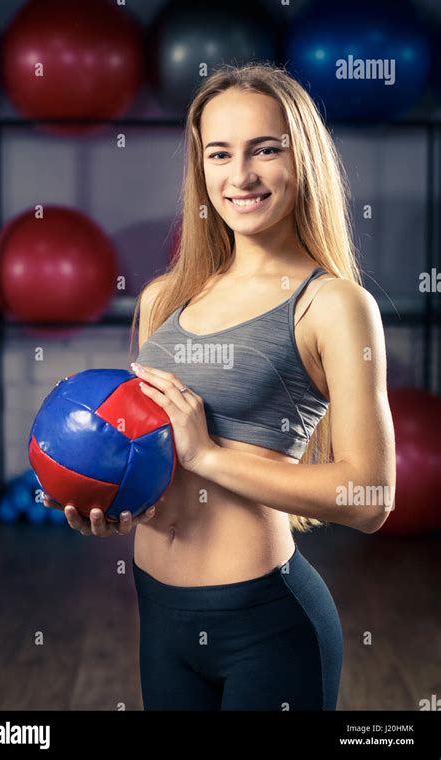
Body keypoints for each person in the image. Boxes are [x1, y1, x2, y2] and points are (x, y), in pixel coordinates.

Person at [44, 62, 396, 711]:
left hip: (267, 624)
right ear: (200, 167)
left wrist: (209, 454)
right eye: (220, 153)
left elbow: (371, 495)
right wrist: (111, 501)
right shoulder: (164, 300)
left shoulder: (334, 306)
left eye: (266, 149)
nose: (242, 176)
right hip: (160, 617)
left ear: (303, 158)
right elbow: (151, 456)